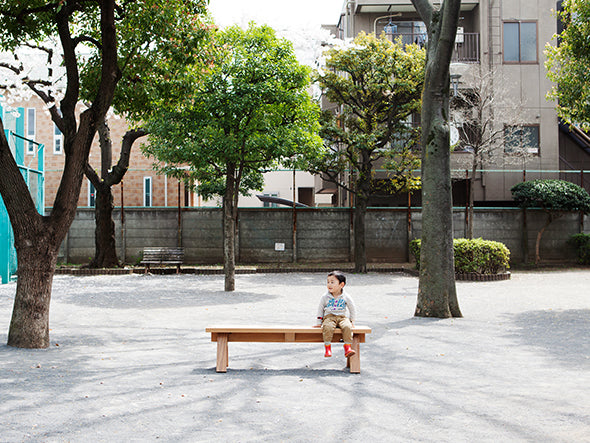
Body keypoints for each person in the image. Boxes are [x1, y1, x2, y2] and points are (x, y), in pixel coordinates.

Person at [314, 270, 357, 358]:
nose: (329, 284)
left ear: (341, 285)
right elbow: (320, 309)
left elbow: (352, 309)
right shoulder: (325, 296)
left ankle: (347, 347)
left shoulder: (346, 296)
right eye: (328, 282)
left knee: (347, 327)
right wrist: (319, 322)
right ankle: (328, 348)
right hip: (329, 317)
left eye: (332, 282)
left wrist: (352, 321)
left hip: (342, 317)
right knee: (328, 327)